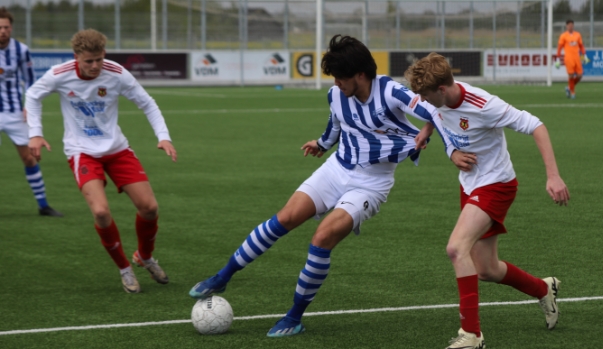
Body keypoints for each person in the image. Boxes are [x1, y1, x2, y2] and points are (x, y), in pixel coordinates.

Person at [189, 35, 454, 337]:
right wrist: (322, 144)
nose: (337, 83)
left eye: (341, 77)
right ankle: (222, 276)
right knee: (284, 219)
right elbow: (336, 125)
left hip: (371, 184)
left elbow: (435, 109)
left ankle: (293, 317)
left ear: (361, 74)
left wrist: (439, 138)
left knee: (322, 238)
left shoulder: (391, 91)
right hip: (336, 169)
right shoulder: (336, 95)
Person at [405, 52, 570, 349]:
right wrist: (441, 143)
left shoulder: (483, 105)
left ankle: (471, 335)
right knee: (487, 270)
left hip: (496, 185)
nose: (425, 102)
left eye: (427, 96)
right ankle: (543, 288)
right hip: (470, 186)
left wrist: (553, 176)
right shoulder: (438, 100)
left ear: (442, 89)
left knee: (456, 249)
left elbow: (536, 125)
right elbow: (436, 116)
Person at [26, 29, 177, 294]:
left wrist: (163, 137)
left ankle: (145, 256)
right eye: (88, 61)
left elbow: (147, 103)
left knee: (150, 208)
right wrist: (35, 133)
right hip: (81, 151)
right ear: (76, 58)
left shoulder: (116, 73)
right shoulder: (60, 74)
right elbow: (33, 96)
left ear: (104, 54)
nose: (95, 66)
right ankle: (124, 269)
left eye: (98, 59)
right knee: (101, 212)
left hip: (117, 149)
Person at [0, 7, 62, 217]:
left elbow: (30, 81)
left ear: (11, 28)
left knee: (29, 157)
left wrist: (28, 105)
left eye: (6, 27)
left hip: (14, 112)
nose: (2, 31)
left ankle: (43, 205)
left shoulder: (21, 50)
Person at [555, 19, 587, 99]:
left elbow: (581, 46)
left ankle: (569, 88)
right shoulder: (563, 36)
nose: (570, 26)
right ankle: (572, 92)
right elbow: (559, 48)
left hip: (577, 58)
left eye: (572, 25)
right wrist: (557, 59)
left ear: (573, 26)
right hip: (568, 58)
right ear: (566, 26)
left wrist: (584, 55)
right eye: (569, 25)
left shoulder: (577, 35)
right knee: (571, 76)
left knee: (580, 75)